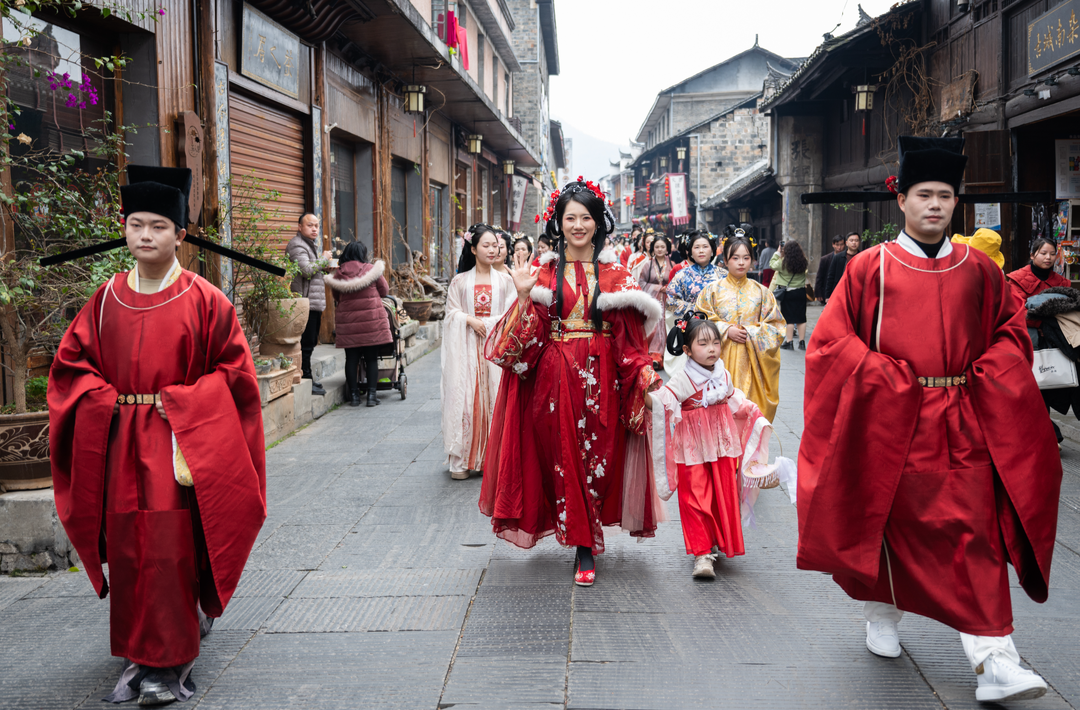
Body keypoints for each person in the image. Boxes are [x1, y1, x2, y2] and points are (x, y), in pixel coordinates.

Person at [798, 136, 1061, 704]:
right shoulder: (870, 269)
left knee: (976, 534)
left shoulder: (981, 273)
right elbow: (829, 344)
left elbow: (1012, 334)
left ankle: (995, 659)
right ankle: (882, 613)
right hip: (889, 423)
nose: (935, 205)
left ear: (956, 202)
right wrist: (885, 379)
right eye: (924, 194)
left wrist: (986, 376)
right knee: (885, 523)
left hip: (963, 419)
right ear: (903, 201)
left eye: (945, 195)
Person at [48, 166, 266, 706]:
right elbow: (70, 368)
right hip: (120, 438)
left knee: (170, 548)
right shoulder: (104, 300)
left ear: (181, 235)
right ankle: (142, 647)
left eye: (159, 226)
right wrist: (105, 402)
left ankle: (165, 666)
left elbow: (235, 376)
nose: (145, 236)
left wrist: (183, 405)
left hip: (177, 443)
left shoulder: (206, 299)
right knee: (128, 548)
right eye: (136, 225)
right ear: (123, 229)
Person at [480, 179, 665, 587]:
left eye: (586, 218)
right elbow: (522, 342)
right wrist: (525, 297)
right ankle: (584, 546)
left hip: (602, 382)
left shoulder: (618, 275)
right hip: (555, 378)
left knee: (600, 458)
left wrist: (647, 378)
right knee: (564, 460)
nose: (578, 225)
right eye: (570, 218)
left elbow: (630, 343)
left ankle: (586, 530)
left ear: (598, 223)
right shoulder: (544, 271)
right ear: (558, 223)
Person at [647, 313, 774, 578]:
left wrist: (757, 418)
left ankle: (715, 540)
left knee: (721, 492)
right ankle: (702, 554)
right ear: (687, 350)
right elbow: (661, 402)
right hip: (693, 444)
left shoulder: (723, 375)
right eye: (703, 344)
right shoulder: (683, 378)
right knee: (695, 496)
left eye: (715, 342)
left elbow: (735, 401)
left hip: (721, 443)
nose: (712, 349)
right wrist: (640, 390)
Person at [442, 225, 516, 480]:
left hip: (494, 349)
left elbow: (512, 314)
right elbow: (451, 313)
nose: (493, 249)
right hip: (466, 349)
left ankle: (493, 459)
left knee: (496, 399)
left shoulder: (507, 281)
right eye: (486, 245)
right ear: (473, 249)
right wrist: (469, 320)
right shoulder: (459, 281)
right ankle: (463, 459)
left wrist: (487, 323)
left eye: (495, 245)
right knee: (466, 399)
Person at [695, 235, 785, 421]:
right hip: (719, 359)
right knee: (718, 414)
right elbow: (698, 321)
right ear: (725, 260)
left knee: (748, 414)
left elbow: (777, 327)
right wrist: (726, 330)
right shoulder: (711, 291)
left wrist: (750, 333)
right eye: (735, 258)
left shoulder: (762, 292)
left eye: (746, 258)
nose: (741, 263)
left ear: (752, 260)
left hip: (752, 362)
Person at [1006, 237, 1071, 444]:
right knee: (1031, 388)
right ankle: (1047, 435)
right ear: (1032, 255)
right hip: (1027, 341)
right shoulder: (1016, 279)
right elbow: (1016, 311)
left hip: (1055, 342)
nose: (1048, 257)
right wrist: (1043, 319)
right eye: (1043, 253)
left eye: (1052, 254)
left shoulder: (1062, 283)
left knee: (1053, 385)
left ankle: (1045, 433)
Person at [324, 241, 392, 408]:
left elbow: (337, 297)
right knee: (371, 359)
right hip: (371, 322)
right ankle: (371, 396)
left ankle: (354, 397)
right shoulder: (371, 270)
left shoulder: (339, 273)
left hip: (349, 324)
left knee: (351, 359)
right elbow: (384, 291)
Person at [287, 213, 333, 396]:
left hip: (313, 302)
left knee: (311, 342)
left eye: (316, 226)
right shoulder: (296, 245)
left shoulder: (308, 245)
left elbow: (312, 269)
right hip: (305, 302)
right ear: (299, 227)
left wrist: (325, 266)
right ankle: (306, 379)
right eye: (309, 225)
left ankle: (309, 378)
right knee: (306, 344)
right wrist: (323, 259)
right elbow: (306, 270)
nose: (314, 229)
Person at [638, 235, 675, 368]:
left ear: (667, 249)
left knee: (666, 325)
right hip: (653, 301)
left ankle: (666, 354)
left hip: (668, 301)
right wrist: (659, 288)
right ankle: (654, 355)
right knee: (655, 326)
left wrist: (669, 289)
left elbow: (676, 282)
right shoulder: (648, 264)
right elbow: (641, 283)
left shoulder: (672, 264)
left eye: (662, 247)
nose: (659, 249)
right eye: (657, 247)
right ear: (653, 248)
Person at [770, 240, 809, 350]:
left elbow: (772, 264)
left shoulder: (783, 262)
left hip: (788, 293)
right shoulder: (804, 261)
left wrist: (778, 252)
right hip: (801, 292)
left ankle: (789, 341)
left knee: (789, 318)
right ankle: (802, 343)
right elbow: (805, 272)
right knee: (801, 318)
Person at [825, 231, 861, 299]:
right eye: (851, 240)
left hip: (857, 292)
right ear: (846, 243)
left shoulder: (863, 257)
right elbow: (830, 277)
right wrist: (828, 296)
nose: (854, 243)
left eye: (856, 240)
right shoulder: (838, 257)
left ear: (859, 242)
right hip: (840, 291)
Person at [815, 235, 844, 304]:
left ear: (845, 244)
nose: (839, 247)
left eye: (841, 245)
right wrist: (818, 293)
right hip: (829, 289)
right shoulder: (825, 259)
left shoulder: (847, 257)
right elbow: (820, 276)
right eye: (837, 245)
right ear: (833, 245)